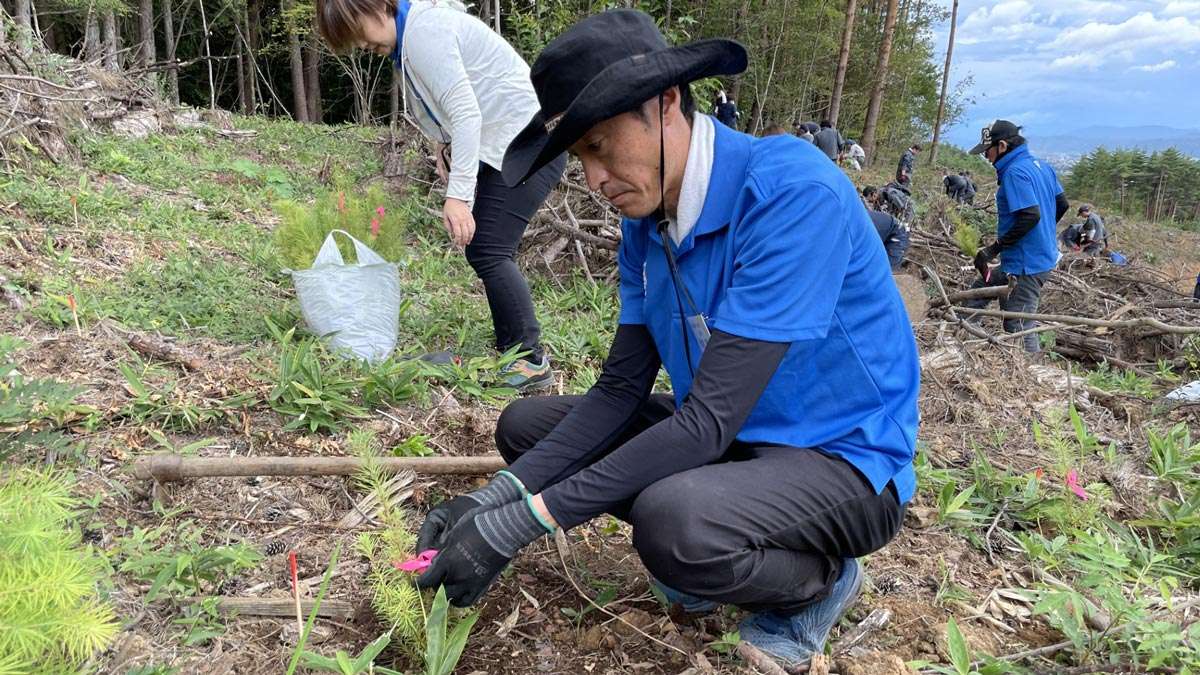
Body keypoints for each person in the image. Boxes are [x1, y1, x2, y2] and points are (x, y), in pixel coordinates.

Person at [414, 10, 918, 670]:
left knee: (672, 523)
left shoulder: (790, 194)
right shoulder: (648, 228)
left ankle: (818, 585)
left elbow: (706, 422)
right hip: (738, 445)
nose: (593, 179)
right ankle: (723, 539)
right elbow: (620, 390)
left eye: (599, 145)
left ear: (666, 103)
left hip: (844, 461)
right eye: (579, 158)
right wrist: (494, 497)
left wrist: (526, 521)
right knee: (528, 428)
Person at [315, 0, 565, 391]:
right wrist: (443, 150)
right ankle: (513, 352)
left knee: (489, 249)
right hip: (510, 144)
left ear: (379, 5)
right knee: (486, 248)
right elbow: (453, 109)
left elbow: (467, 114)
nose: (361, 44)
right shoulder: (412, 36)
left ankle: (529, 362)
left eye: (357, 29)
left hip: (528, 145)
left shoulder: (424, 31)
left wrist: (459, 196)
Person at [965, 120, 1069, 352]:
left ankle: (1033, 375)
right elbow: (1062, 203)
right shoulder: (1040, 166)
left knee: (1018, 324)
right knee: (983, 285)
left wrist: (992, 250)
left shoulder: (1015, 172)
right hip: (1028, 258)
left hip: (1026, 266)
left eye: (987, 151)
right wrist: (1042, 235)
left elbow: (1030, 216)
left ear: (1002, 146)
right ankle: (965, 333)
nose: (986, 157)